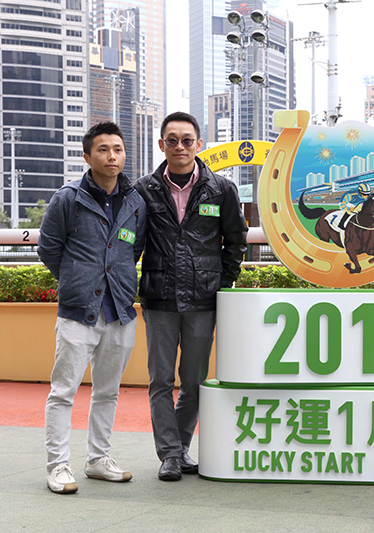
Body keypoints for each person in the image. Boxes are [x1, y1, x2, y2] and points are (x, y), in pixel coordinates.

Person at [134, 111, 248, 481]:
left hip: (204, 300)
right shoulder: (143, 190)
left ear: (199, 144)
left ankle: (180, 448)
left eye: (187, 140)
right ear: (161, 144)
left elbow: (236, 240)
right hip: (159, 299)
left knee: (194, 382)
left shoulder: (222, 189)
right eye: (172, 140)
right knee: (160, 381)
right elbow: (131, 243)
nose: (180, 147)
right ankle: (169, 455)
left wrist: (222, 282)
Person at [39, 122, 146, 494]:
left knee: (108, 391)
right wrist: (77, 279)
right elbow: (49, 249)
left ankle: (98, 459)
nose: (111, 156)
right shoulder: (67, 198)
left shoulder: (135, 201)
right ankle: (57, 465)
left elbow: (133, 249)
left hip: (120, 310)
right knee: (63, 391)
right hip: (77, 311)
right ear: (87, 156)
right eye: (103, 149)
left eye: (117, 149)